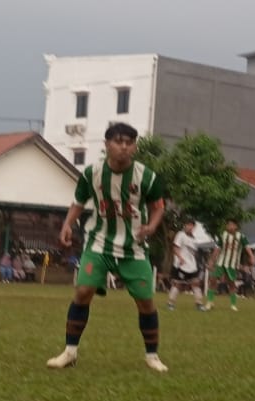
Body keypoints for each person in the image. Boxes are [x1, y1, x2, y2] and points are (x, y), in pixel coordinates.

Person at [46, 122, 168, 373]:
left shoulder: (147, 176)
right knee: (83, 292)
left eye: (129, 142)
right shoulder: (92, 174)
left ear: (134, 146)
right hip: (99, 243)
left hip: (133, 247)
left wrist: (152, 226)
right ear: (107, 144)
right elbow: (78, 202)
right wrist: (67, 225)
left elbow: (158, 207)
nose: (124, 147)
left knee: (146, 302)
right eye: (118, 141)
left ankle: (152, 356)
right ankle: (69, 352)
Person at [206, 219, 253, 312]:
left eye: (232, 225)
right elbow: (217, 249)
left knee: (231, 284)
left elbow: (247, 247)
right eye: (228, 224)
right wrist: (211, 261)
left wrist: (251, 256)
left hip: (232, 264)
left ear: (236, 227)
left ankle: (233, 305)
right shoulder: (223, 235)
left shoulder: (241, 237)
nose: (230, 226)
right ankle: (209, 302)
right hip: (220, 262)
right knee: (212, 279)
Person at [167, 219, 207, 311]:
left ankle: (199, 304)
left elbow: (196, 252)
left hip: (192, 266)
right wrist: (180, 258)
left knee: (196, 283)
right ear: (185, 226)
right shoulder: (181, 235)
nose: (189, 227)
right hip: (181, 265)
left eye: (191, 225)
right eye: (188, 225)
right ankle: (170, 303)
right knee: (178, 284)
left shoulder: (195, 239)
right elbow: (175, 248)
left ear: (194, 227)